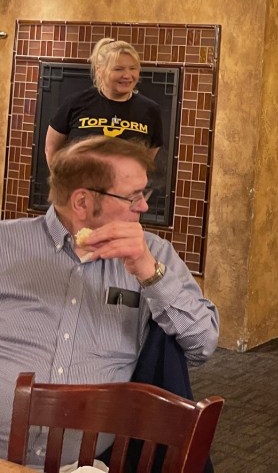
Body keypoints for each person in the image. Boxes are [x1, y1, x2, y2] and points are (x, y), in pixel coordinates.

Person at [0, 136, 219, 468]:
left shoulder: (153, 254)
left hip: (89, 463)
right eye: (133, 197)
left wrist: (149, 273)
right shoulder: (7, 243)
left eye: (144, 194)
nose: (143, 207)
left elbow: (203, 344)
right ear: (82, 202)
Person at [45, 38, 164, 166]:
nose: (127, 75)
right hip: (82, 178)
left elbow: (148, 157)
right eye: (118, 69)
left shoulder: (150, 110)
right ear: (99, 70)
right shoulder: (75, 103)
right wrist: (61, 178)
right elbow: (52, 148)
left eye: (133, 68)